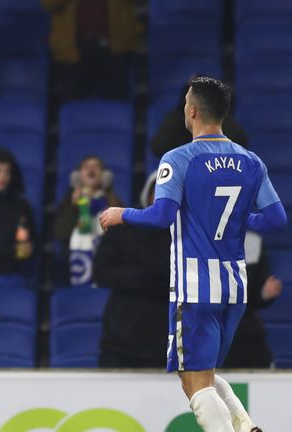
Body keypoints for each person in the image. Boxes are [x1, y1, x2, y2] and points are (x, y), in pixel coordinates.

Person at [100, 76, 287, 432]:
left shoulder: (179, 158)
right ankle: (246, 426)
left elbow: (161, 216)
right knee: (204, 373)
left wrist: (120, 213)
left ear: (191, 111)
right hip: (235, 287)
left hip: (196, 286)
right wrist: (240, 217)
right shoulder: (251, 161)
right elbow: (277, 219)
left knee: (193, 380)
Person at [93, 172, 170, 368]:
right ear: (147, 194)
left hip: (165, 341)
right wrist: (143, 278)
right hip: (121, 339)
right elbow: (102, 272)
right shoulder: (121, 228)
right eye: (157, 192)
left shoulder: (186, 234)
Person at [41, 0, 141, 101]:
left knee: (116, 107)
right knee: (73, 108)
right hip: (72, 52)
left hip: (116, 49)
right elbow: (49, 4)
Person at [54, 156, 122, 285]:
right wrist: (74, 208)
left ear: (104, 176)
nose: (91, 169)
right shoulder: (69, 202)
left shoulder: (114, 202)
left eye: (96, 166)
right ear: (78, 176)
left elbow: (120, 235)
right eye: (86, 166)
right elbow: (61, 233)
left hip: (107, 261)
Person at [223, 231, 282, 368]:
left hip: (247, 331)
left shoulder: (253, 242)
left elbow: (256, 295)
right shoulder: (198, 239)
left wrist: (264, 293)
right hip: (213, 332)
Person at [152, 80, 249, 159]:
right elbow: (158, 146)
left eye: (186, 102)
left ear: (192, 110)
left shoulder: (175, 161)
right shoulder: (254, 163)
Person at [0, 147, 37, 274]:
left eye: (7, 171)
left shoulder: (20, 204)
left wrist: (30, 247)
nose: (3, 176)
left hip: (14, 270)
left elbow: (34, 237)